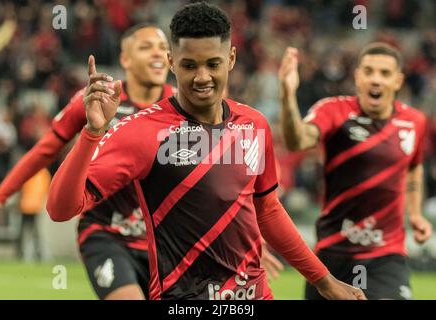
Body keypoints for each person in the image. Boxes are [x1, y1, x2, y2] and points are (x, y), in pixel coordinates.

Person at [46, 1, 365, 300]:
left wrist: (324, 281)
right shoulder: (141, 132)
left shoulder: (254, 125)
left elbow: (267, 210)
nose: (202, 77)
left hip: (252, 295)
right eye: (189, 65)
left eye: (213, 64)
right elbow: (60, 209)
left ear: (231, 58)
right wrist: (91, 134)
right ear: (171, 62)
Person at [0, 24, 174, 300]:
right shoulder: (98, 99)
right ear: (125, 59)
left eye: (163, 48)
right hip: (106, 233)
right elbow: (44, 151)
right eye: (146, 47)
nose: (158, 55)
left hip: (164, 241)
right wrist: (1, 196)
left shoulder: (181, 108)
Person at [278, 43, 433, 299]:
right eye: (369, 71)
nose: (376, 79)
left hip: (386, 255)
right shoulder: (333, 110)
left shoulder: (415, 122)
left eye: (384, 73)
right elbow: (298, 141)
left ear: (398, 81)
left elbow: (414, 166)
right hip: (333, 255)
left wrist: (415, 213)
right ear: (357, 76)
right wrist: (287, 95)